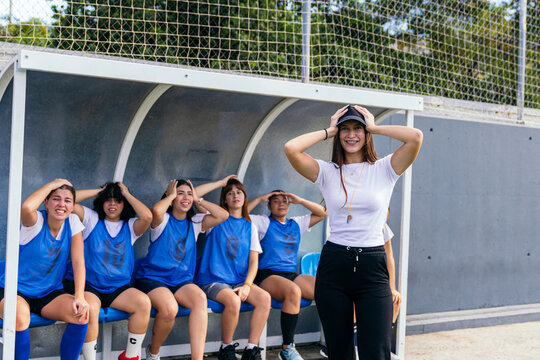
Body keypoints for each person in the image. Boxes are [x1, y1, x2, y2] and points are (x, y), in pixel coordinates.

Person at [284, 104, 422, 359]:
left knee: (376, 350)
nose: (351, 135)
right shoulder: (327, 171)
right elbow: (291, 148)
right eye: (345, 129)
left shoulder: (384, 169)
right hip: (335, 265)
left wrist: (374, 126)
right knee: (339, 350)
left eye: (357, 128)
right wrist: (329, 130)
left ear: (366, 133)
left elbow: (415, 137)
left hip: (372, 266)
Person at [135, 179, 229, 360]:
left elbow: (222, 215)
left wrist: (198, 199)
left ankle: (197, 358)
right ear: (171, 197)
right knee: (170, 309)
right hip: (154, 278)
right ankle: (153, 353)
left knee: (200, 299)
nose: (185, 197)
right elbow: (156, 210)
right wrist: (170, 195)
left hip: (180, 280)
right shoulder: (162, 220)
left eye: (189, 193)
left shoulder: (194, 223)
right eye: (180, 193)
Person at [0, 179, 89, 360]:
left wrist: (80, 296)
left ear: (73, 206)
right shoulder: (34, 221)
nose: (61, 204)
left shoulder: (73, 223)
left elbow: (79, 262)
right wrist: (52, 184)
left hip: (48, 293)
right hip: (16, 290)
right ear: (46, 203)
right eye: (56, 199)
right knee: (19, 316)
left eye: (67, 200)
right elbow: (26, 208)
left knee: (81, 314)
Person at [65, 182, 153, 360]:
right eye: (108, 200)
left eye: (117, 200)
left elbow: (148, 217)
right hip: (90, 285)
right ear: (101, 202)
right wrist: (100, 191)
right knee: (90, 308)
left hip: (117, 288)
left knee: (143, 302)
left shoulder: (130, 226)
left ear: (124, 204)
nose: (112, 204)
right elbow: (70, 203)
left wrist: (126, 193)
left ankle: (130, 356)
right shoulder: (92, 219)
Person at [194, 176, 271, 360]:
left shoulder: (249, 226)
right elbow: (194, 195)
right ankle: (226, 348)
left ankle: (251, 350)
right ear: (224, 200)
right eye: (230, 193)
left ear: (244, 197)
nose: (235, 195)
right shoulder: (215, 219)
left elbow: (254, 261)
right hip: (214, 280)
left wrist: (247, 285)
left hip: (238, 281)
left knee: (264, 298)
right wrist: (221, 183)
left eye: (239, 192)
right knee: (233, 301)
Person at [247, 191, 326, 360]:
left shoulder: (296, 223)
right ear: (269, 205)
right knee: (294, 291)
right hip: (267, 275)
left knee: (325, 288)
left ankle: (337, 341)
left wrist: (301, 200)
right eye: (275, 201)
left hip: (290, 274)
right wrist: (260, 198)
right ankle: (287, 348)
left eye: (285, 201)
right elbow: (240, 214)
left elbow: (322, 213)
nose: (281, 204)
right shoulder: (263, 222)